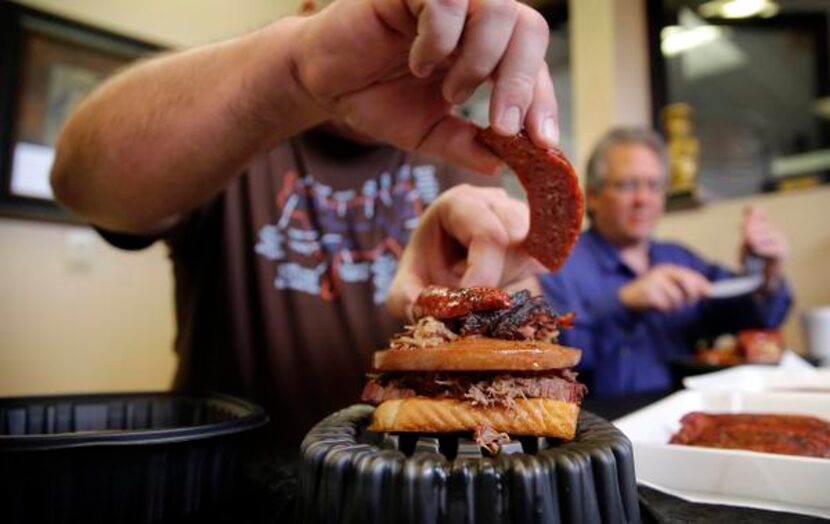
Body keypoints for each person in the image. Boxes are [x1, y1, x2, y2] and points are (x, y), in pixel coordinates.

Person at [50, 0, 555, 446]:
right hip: (231, 483)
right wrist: (299, 69)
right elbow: (80, 181)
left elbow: (524, 333)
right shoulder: (236, 132)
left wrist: (477, 302)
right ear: (313, 9)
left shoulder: (465, 160)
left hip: (400, 484)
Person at [537, 127, 792, 396]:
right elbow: (550, 360)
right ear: (594, 196)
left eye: (654, 186)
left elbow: (756, 320)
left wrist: (765, 276)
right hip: (604, 430)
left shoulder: (680, 259)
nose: (643, 199)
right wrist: (622, 303)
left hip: (683, 418)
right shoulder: (559, 267)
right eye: (627, 185)